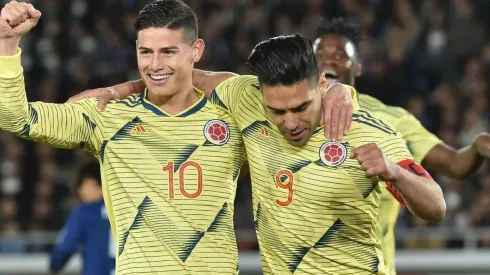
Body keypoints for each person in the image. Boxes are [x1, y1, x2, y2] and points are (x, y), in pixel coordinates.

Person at [75, 33, 446, 274]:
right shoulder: (246, 97)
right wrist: (116, 90)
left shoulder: (370, 132)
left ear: (321, 83)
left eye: (301, 107)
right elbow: (180, 76)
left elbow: (435, 207)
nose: (290, 122)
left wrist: (394, 173)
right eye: (278, 111)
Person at [0, 0, 248, 273]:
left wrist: (126, 86)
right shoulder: (107, 115)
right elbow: (16, 118)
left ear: (196, 50)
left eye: (168, 52)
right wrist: (7, 43)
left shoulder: (230, 117)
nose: (155, 65)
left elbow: (254, 92)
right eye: (146, 52)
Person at [313, 17, 490, 274]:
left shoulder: (391, 120)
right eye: (320, 55)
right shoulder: (292, 117)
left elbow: (454, 165)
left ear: (358, 67)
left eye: (340, 55)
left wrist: (475, 148)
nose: (328, 61)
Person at [50, 161, 115, 275]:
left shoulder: (85, 212)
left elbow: (62, 252)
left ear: (95, 184)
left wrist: (54, 266)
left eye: (82, 185)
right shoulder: (129, 211)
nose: (80, 191)